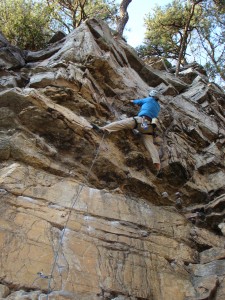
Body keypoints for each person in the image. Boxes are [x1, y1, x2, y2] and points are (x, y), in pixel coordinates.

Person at [92, 90, 161, 172]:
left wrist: (131, 101)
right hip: (149, 127)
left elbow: (138, 102)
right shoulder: (158, 107)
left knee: (122, 123)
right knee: (150, 144)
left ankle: (103, 129)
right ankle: (157, 164)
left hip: (141, 121)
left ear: (151, 95)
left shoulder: (149, 99)